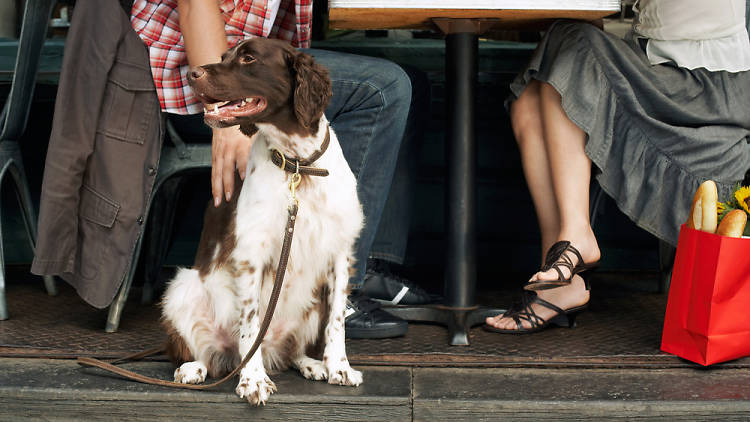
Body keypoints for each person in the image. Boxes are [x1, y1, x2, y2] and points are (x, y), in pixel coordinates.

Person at [130, 0, 433, 339]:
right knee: (384, 88)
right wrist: (225, 115)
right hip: (187, 73)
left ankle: (367, 262)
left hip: (252, 68)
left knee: (411, 82)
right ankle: (332, 295)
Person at [485, 0, 750, 333]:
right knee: (529, 103)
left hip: (707, 83)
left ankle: (576, 240)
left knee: (572, 43)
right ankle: (561, 275)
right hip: (656, 65)